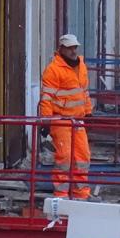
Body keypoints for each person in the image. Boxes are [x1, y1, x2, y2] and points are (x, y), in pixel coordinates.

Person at [40, 34, 93, 200]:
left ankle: (80, 195)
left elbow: (84, 92)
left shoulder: (81, 66)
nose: (73, 51)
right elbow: (46, 98)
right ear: (61, 49)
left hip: (77, 120)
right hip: (60, 120)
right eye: (69, 48)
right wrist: (46, 121)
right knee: (64, 158)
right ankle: (61, 195)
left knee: (83, 157)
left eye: (75, 47)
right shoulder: (53, 70)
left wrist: (88, 111)